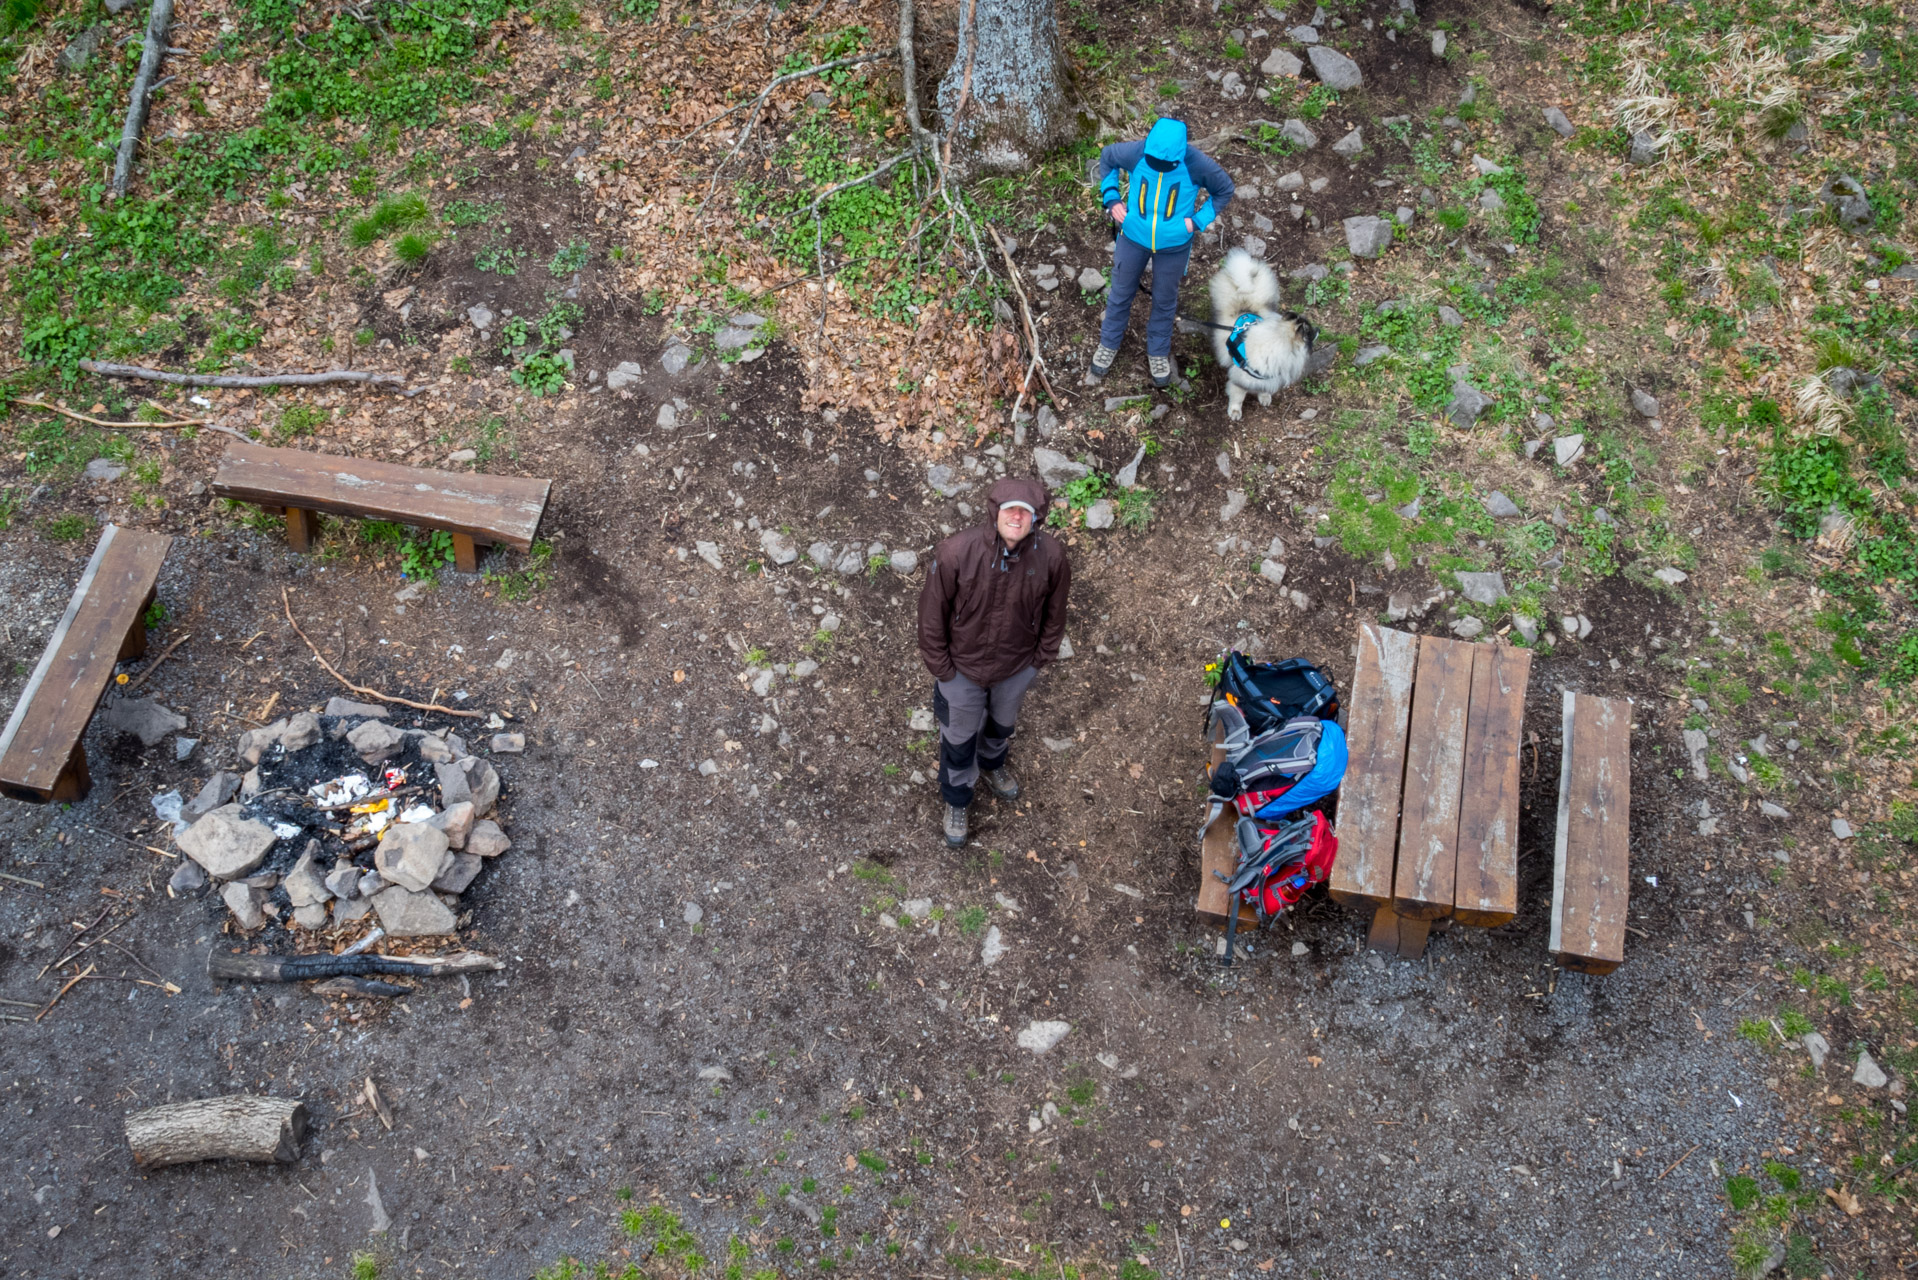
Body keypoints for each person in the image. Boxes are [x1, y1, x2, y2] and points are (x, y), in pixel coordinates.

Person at [916, 475, 1071, 847]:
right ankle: (957, 800)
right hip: (962, 669)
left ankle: (991, 766)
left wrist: (1039, 660)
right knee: (958, 740)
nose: (1017, 517)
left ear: (1036, 518)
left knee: (1001, 727)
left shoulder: (1052, 556)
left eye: (1026, 512)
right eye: (1010, 509)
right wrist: (943, 671)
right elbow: (931, 616)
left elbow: (1056, 612)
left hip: (1016, 668)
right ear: (995, 512)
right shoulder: (955, 552)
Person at [1090, 117, 1235, 388]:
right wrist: (1111, 197)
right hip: (1132, 237)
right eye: (1154, 161)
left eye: (1166, 165)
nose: (1159, 167)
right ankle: (1108, 344)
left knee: (1165, 301)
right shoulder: (1137, 152)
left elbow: (1224, 189)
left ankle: (1157, 352)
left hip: (1174, 245)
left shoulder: (1195, 163)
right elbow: (1107, 157)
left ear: (1180, 156)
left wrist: (1197, 222)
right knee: (1120, 293)